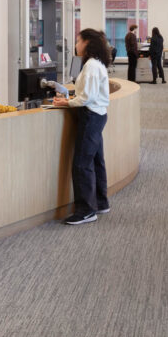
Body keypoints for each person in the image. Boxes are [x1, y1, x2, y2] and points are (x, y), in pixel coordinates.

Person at [52, 29, 111, 225]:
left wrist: (65, 103)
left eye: (78, 40)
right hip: (97, 114)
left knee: (81, 164)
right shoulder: (95, 64)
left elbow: (87, 98)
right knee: (95, 161)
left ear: (87, 43)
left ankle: (86, 210)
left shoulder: (92, 65)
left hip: (91, 116)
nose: (76, 45)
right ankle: (101, 202)